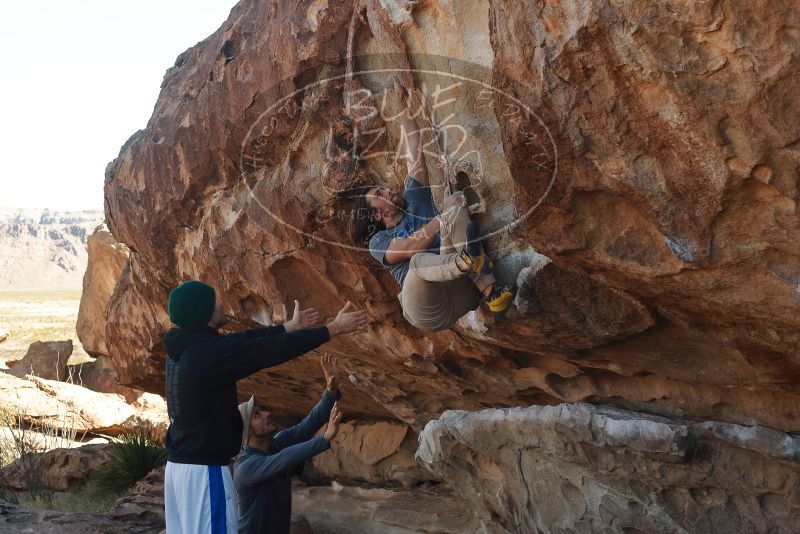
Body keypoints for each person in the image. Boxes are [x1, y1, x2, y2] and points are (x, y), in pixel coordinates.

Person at [162, 280, 366, 534]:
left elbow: (244, 340)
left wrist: (287, 327)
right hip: (203, 472)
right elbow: (268, 351)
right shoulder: (206, 354)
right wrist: (331, 329)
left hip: (180, 468)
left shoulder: (183, 352)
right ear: (202, 311)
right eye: (216, 300)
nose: (222, 303)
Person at [351, 79, 514, 332]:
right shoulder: (379, 242)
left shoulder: (414, 197)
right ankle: (467, 261)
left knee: (457, 208)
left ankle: (493, 294)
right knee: (418, 261)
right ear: (379, 214)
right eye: (380, 193)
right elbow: (410, 248)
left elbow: (414, 149)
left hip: (461, 291)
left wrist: (402, 108)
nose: (388, 189)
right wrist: (442, 217)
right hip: (427, 309)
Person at [234, 354, 343, 534]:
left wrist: (330, 391)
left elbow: (308, 424)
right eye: (257, 415)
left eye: (261, 411)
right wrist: (324, 438)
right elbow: (283, 459)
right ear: (248, 432)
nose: (266, 414)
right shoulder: (245, 467)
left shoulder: (276, 443)